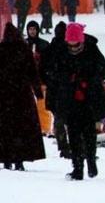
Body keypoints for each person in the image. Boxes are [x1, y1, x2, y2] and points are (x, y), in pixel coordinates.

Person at [52, 23, 105, 180]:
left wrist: (88, 80)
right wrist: (69, 80)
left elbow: (103, 71)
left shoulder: (92, 49)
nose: (73, 47)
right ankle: (77, 168)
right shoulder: (62, 51)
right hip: (70, 100)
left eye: (76, 44)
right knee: (74, 134)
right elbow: (55, 71)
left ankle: (91, 160)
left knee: (89, 133)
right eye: (70, 44)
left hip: (90, 99)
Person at [0, 23, 46, 171]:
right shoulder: (24, 49)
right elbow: (32, 72)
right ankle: (20, 159)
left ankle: (6, 158)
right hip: (22, 96)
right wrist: (37, 91)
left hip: (4, 96)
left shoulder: (1, 50)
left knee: (5, 129)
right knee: (22, 128)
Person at [40, 22, 71, 158]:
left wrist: (48, 81)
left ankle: (62, 145)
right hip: (68, 89)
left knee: (58, 118)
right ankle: (74, 145)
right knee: (72, 119)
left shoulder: (49, 49)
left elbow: (42, 69)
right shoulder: (69, 49)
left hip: (53, 90)